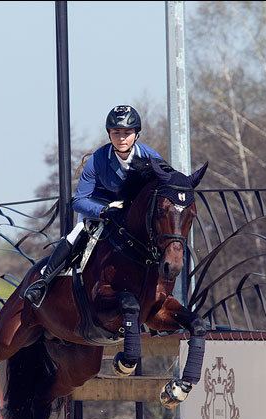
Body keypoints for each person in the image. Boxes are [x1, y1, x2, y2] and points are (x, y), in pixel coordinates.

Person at [23, 105, 164, 307]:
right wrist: (103, 211)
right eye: (116, 133)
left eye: (127, 133)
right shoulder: (97, 160)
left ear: (136, 134)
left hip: (133, 213)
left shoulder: (152, 159)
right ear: (109, 134)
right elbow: (79, 201)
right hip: (102, 210)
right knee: (76, 233)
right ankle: (43, 283)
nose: (122, 138)